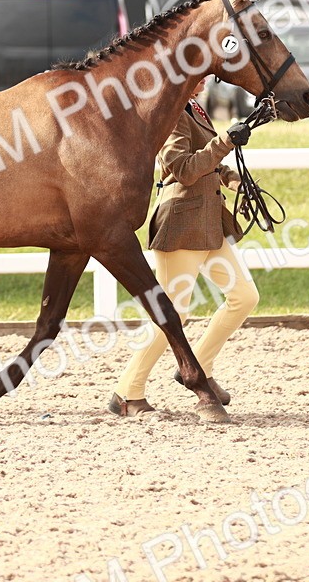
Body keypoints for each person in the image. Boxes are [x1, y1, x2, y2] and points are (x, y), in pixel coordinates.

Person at [108, 76, 259, 422]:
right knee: (174, 313)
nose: (207, 79)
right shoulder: (171, 114)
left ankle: (199, 367)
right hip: (181, 224)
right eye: (200, 74)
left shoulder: (194, 109)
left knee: (244, 297)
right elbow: (183, 169)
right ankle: (127, 393)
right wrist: (224, 141)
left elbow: (207, 164)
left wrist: (235, 181)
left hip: (208, 225)